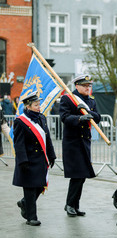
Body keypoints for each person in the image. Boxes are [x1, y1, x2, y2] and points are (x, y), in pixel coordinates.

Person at [59, 74, 101, 217]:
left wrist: (88, 112)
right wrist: (80, 118)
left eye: (89, 86)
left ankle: (75, 205)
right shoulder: (68, 98)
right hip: (73, 142)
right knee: (77, 175)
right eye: (84, 86)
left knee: (82, 176)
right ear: (77, 86)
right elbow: (64, 117)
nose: (87, 88)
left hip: (85, 142)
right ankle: (69, 204)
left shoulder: (91, 101)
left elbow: (98, 117)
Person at [12, 92, 56, 226]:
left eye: (39, 104)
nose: (39, 107)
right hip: (29, 159)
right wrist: (23, 161)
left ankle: (25, 203)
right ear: (28, 106)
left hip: (41, 159)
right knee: (30, 189)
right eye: (36, 105)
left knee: (39, 185)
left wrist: (52, 154)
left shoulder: (41, 118)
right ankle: (31, 217)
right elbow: (19, 143)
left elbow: (47, 138)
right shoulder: (21, 121)